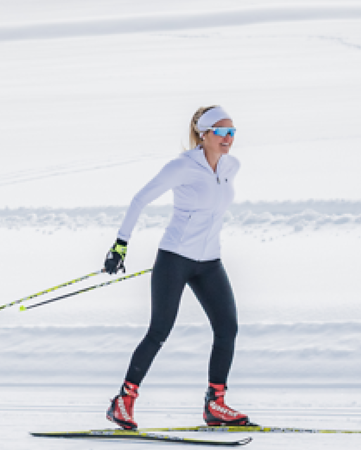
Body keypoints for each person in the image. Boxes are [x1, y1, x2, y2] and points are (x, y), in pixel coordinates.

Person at [100, 105, 252, 430]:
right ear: (204, 133)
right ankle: (122, 402)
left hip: (210, 261)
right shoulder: (182, 167)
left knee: (227, 328)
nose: (229, 138)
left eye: (232, 131)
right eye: (222, 131)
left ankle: (216, 404)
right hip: (175, 259)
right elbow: (140, 199)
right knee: (159, 331)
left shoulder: (231, 166)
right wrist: (120, 245)